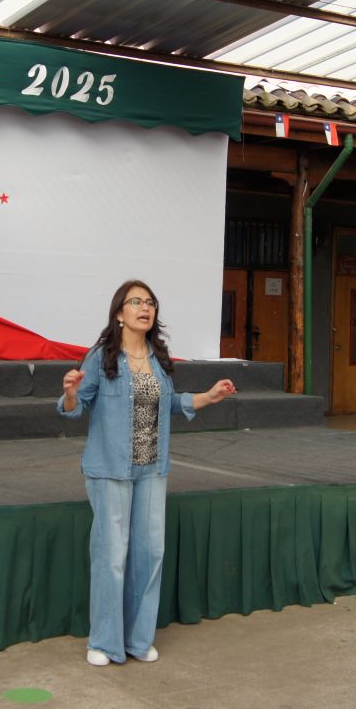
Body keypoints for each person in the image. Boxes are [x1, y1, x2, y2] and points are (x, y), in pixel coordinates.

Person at [58, 279, 236, 666]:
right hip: (110, 470)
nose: (145, 307)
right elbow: (74, 406)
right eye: (135, 301)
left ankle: (138, 640)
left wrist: (209, 396)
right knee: (112, 556)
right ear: (120, 312)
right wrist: (71, 390)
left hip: (152, 468)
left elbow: (170, 403)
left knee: (149, 553)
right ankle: (103, 642)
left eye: (150, 302)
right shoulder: (101, 356)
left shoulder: (158, 357)